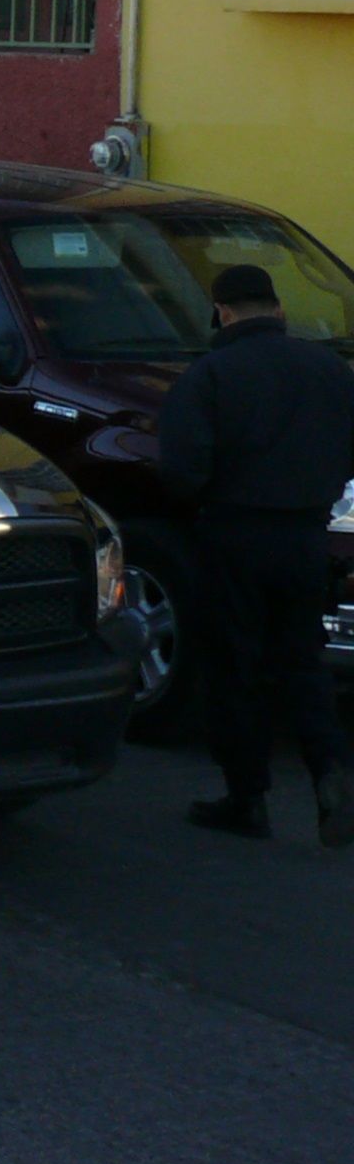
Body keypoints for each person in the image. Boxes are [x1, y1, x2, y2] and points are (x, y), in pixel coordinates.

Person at [159, 263, 354, 844]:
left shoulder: (209, 375)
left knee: (234, 666)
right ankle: (331, 773)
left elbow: (182, 472)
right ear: (278, 309)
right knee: (303, 662)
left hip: (234, 535)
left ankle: (247, 798)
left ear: (221, 312)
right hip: (307, 536)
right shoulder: (331, 370)